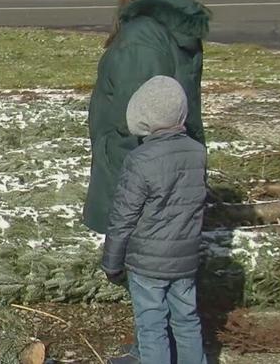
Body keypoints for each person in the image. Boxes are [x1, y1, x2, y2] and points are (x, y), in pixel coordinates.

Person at [82, 0, 210, 363]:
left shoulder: (142, 37)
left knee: (148, 280)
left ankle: (152, 352)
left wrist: (107, 145)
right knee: (176, 292)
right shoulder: (171, 26)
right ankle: (162, 349)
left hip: (139, 164)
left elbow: (138, 114)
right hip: (173, 167)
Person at [101, 75, 208, 364]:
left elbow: (123, 217)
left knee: (152, 326)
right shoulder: (198, 153)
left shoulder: (140, 160)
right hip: (185, 259)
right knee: (187, 321)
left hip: (148, 264)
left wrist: (111, 262)